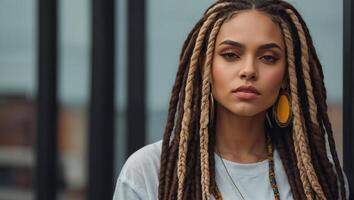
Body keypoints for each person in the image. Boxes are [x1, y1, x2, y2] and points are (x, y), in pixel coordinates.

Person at [113, 0, 349, 199]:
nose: (248, 70)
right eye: (231, 55)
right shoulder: (148, 171)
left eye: (268, 57)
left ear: (287, 76)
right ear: (206, 67)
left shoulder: (317, 175)